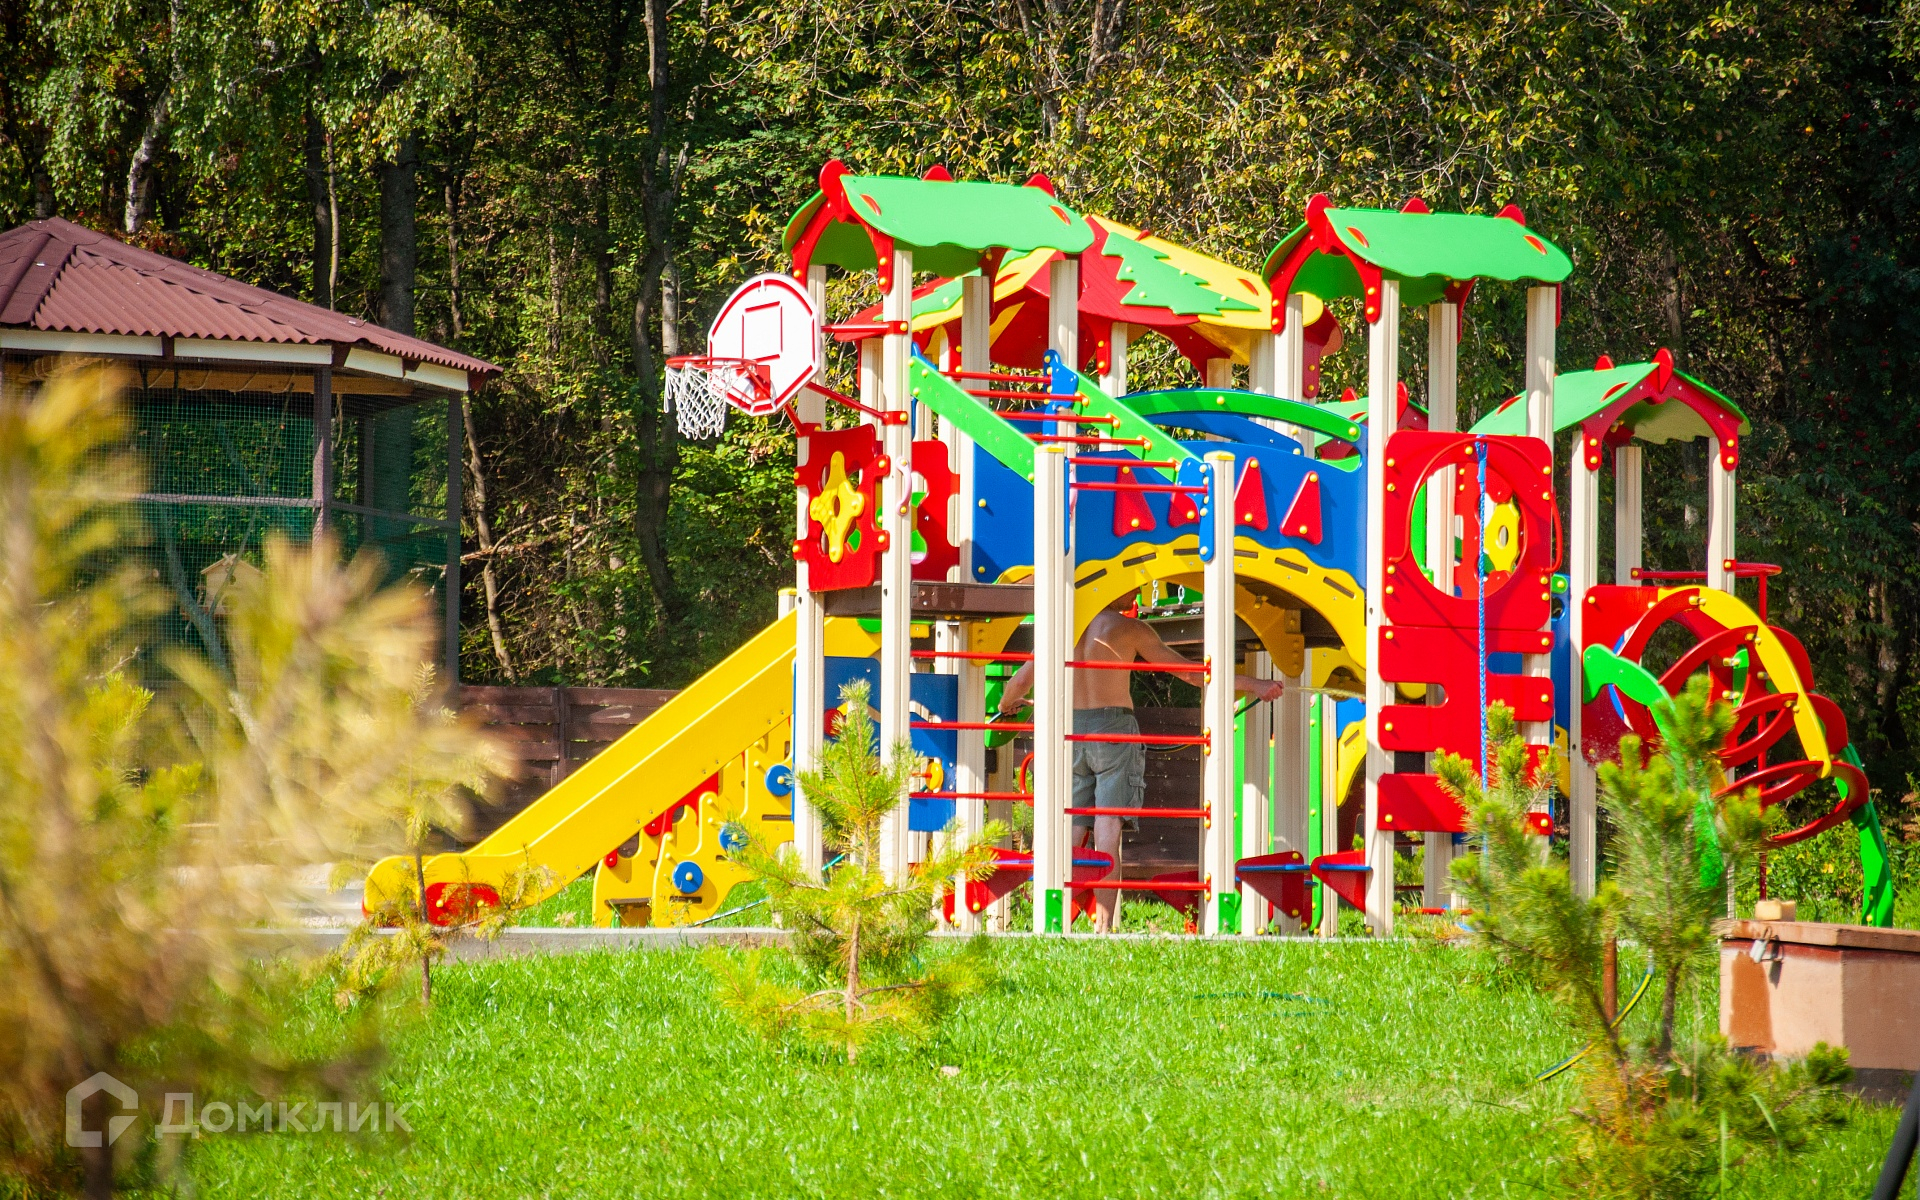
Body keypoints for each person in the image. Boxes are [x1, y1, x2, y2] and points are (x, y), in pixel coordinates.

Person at [996, 594, 1285, 933]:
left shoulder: (1059, 626)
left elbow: (1019, 682)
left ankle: (1055, 921)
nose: (1134, 593)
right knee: (1107, 827)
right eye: (1130, 586)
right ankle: (1103, 927)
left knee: (1072, 827)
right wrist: (1254, 684)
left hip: (1071, 729)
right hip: (1113, 728)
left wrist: (1006, 704)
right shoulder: (1128, 628)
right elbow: (1192, 674)